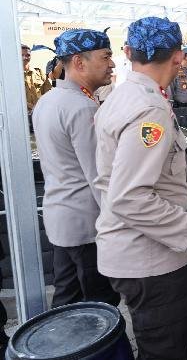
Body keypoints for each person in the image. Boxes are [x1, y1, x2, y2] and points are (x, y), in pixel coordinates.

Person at [94, 17, 187, 360]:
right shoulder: (149, 110)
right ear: (177, 57)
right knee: (167, 349)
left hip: (134, 251)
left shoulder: (123, 96)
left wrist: (184, 187)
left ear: (128, 52)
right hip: (150, 260)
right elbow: (130, 197)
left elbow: (126, 174)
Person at [32, 29, 120, 308]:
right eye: (105, 57)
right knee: (99, 305)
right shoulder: (82, 108)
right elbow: (99, 177)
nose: (112, 64)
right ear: (79, 62)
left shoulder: (48, 101)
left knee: (66, 299)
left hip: (61, 220)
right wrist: (119, 224)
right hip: (86, 226)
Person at [23, 44, 52, 114]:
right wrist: (33, 107)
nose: (25, 57)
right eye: (22, 55)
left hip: (41, 112)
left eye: (28, 55)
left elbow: (49, 93)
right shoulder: (13, 77)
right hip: (24, 114)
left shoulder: (39, 72)